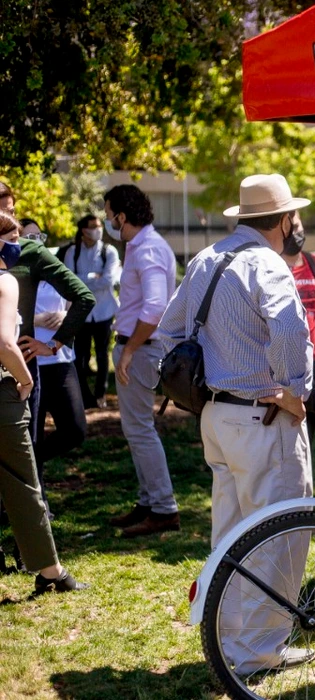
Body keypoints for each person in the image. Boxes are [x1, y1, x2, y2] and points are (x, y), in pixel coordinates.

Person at [158, 173, 314, 675]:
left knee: (231, 532)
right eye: (297, 217)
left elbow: (169, 331)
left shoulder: (207, 258)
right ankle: (258, 651)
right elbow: (290, 326)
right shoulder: (265, 263)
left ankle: (227, 640)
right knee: (279, 535)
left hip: (217, 415)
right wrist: (297, 391)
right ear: (285, 221)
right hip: (260, 415)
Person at [0, 213, 88, 595]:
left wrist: (52, 344)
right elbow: (4, 342)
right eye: (13, 235)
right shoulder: (5, 281)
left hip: (14, 377)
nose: (20, 241)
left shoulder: (26, 261)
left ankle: (44, 566)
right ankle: (51, 571)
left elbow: (83, 298)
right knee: (23, 482)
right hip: (7, 386)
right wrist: (25, 377)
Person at [102, 184, 180, 537]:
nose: (106, 221)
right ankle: (150, 501)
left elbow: (154, 307)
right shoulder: (142, 245)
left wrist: (130, 350)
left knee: (140, 431)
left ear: (122, 215)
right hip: (141, 345)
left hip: (142, 348)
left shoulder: (147, 249)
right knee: (137, 431)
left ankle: (163, 508)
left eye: (108, 214)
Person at [0, 184, 95, 450]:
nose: (12, 224)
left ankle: (36, 492)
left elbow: (84, 297)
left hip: (20, 368)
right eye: (3, 213)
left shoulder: (30, 252)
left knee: (26, 449)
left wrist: (54, 344)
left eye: (12, 213)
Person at [32, 281, 87, 513]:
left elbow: (81, 301)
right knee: (32, 435)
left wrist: (65, 314)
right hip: (28, 363)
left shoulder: (56, 270)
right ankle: (37, 506)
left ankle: (25, 466)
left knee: (74, 430)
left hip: (61, 361)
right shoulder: (10, 269)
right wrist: (35, 319)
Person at [61, 215, 121, 409]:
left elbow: (108, 280)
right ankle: (84, 396)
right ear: (83, 231)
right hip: (82, 313)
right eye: (93, 227)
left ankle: (100, 394)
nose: (98, 230)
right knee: (81, 355)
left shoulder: (108, 251)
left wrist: (83, 281)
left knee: (103, 354)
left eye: (99, 226)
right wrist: (92, 277)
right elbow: (70, 281)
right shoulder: (73, 251)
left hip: (104, 311)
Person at [280, 219, 315, 437]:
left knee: (305, 435)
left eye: (299, 225)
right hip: (277, 368)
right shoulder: (269, 267)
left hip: (310, 369)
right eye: (291, 227)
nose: (296, 232)